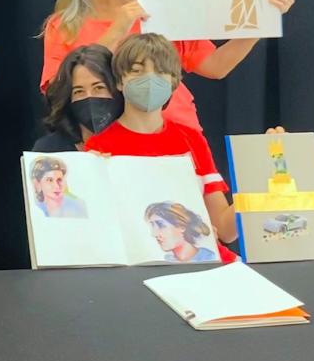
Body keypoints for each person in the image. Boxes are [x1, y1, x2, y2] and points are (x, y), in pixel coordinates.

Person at [41, 0, 296, 131]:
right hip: (106, 142)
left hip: (177, 130)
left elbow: (216, 66)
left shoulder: (159, 3)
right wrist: (117, 29)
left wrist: (264, 17)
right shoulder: (63, 25)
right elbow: (56, 92)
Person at [85, 33, 237, 263]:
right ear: (119, 81)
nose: (149, 78)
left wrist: (261, 183)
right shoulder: (99, 147)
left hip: (203, 265)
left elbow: (226, 231)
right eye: (137, 70)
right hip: (138, 271)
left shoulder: (191, 139)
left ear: (174, 81)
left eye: (160, 71)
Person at [33, 45, 123, 152]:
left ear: (117, 88)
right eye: (79, 91)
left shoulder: (136, 144)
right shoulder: (49, 150)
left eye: (99, 87)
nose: (89, 96)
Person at [145, 202, 217, 262]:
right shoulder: (167, 260)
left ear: (182, 227)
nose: (154, 234)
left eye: (161, 225)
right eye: (152, 226)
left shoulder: (210, 257)